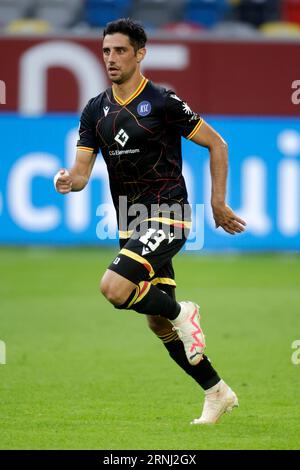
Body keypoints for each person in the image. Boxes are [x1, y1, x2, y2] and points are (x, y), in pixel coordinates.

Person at [54, 18, 246, 424]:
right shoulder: (94, 110)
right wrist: (68, 180)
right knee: (156, 321)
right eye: (106, 51)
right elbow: (82, 172)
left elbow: (217, 143)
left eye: (120, 50)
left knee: (114, 288)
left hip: (169, 213)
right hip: (130, 224)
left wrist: (218, 202)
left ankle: (184, 312)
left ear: (140, 54)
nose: (111, 58)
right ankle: (217, 391)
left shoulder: (162, 102)